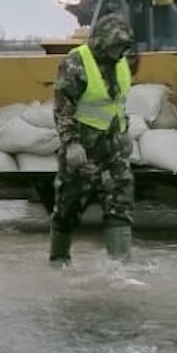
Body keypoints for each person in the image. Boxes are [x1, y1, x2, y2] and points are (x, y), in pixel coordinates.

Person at [49, 13, 137, 264]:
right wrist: (71, 143)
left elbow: (117, 103)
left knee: (120, 204)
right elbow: (63, 106)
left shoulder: (122, 63)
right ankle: (58, 260)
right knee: (68, 207)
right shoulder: (76, 62)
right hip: (84, 150)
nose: (119, 51)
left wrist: (125, 131)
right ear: (101, 41)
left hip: (115, 149)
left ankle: (120, 270)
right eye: (115, 45)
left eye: (123, 46)